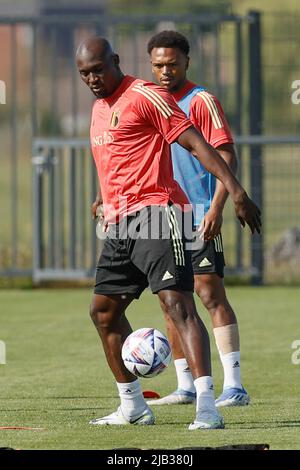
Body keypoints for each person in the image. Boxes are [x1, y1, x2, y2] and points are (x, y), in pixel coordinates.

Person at [76, 36, 260, 430]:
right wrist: (103, 197)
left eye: (98, 69)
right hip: (120, 224)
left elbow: (196, 144)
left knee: (180, 305)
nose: (92, 78)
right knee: (103, 312)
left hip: (159, 214)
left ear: (116, 61)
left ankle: (208, 406)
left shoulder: (145, 95)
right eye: (84, 73)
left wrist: (237, 192)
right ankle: (133, 406)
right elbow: (113, 158)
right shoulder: (97, 107)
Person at [146, 31, 250, 408]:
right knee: (171, 299)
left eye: (172, 64)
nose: (165, 71)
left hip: (200, 211)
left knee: (209, 292)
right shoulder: (149, 100)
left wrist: (216, 207)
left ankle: (235, 386)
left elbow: (227, 157)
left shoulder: (201, 100)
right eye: (158, 65)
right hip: (162, 216)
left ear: (187, 61)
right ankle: (185, 385)